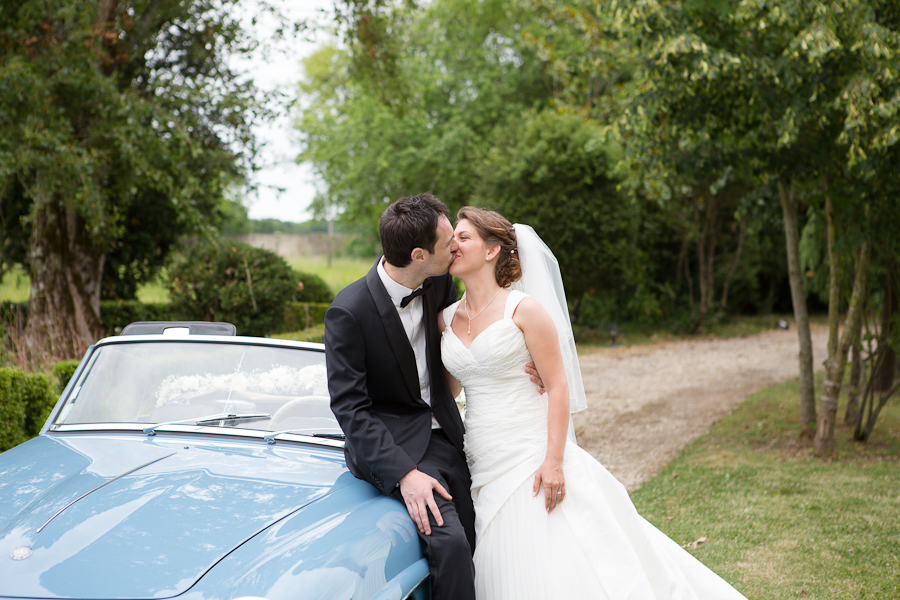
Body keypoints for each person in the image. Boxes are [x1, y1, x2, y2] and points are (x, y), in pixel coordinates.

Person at [439, 206, 748, 600]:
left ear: (491, 250)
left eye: (463, 237)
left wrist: (552, 461)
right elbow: (448, 390)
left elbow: (558, 385)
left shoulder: (524, 309)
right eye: (453, 239)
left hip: (530, 451)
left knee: (550, 551)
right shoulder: (446, 318)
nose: (453, 245)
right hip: (482, 456)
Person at [325, 194, 545, 600]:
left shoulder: (439, 280)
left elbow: (473, 333)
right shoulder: (349, 311)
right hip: (393, 444)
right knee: (451, 544)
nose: (456, 248)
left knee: (492, 524)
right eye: (449, 243)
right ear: (418, 254)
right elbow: (350, 409)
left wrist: (524, 365)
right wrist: (404, 475)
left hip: (448, 433)